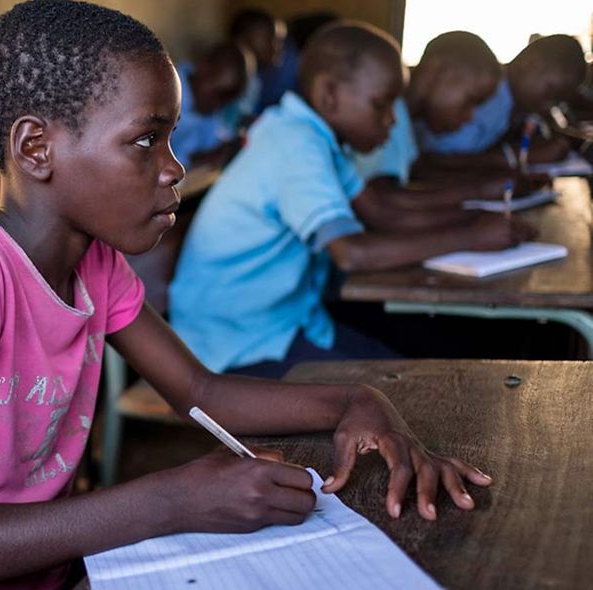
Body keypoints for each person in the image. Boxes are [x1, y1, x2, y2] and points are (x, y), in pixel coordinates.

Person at [0, 5, 495, 590]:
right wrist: (171, 499)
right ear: (36, 148)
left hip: (53, 577)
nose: (173, 167)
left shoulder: (92, 262)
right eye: (145, 141)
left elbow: (199, 388)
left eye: (171, 140)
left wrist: (358, 401)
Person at [169, 21, 534, 379]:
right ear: (329, 94)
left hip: (286, 322)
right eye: (381, 105)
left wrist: (476, 224)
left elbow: (382, 212)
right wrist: (470, 237)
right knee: (410, 390)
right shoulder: (295, 144)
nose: (392, 120)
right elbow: (352, 252)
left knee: (414, 373)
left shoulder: (319, 140)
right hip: (231, 346)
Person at [352, 31, 526, 232]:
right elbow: (386, 198)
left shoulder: (405, 122)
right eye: (471, 100)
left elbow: (418, 174)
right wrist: (478, 193)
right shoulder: (387, 118)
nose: (470, 116)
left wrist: (487, 179)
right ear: (435, 71)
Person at [415, 34, 587, 169]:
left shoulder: (511, 105)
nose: (548, 105)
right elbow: (438, 157)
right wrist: (517, 156)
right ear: (531, 63)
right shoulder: (487, 93)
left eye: (556, 101)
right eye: (550, 92)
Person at [172, 43, 248, 170]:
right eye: (217, 92)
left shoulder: (209, 115)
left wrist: (215, 154)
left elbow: (213, 143)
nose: (218, 103)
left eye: (226, 99)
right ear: (203, 67)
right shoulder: (166, 89)